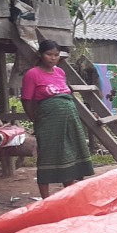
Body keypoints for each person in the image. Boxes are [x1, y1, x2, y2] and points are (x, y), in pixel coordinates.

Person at [20, 40, 94, 198]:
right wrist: (35, 119)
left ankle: (68, 194)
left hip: (69, 120)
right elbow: (26, 100)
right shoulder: (32, 74)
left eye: (56, 55)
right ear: (41, 55)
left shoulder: (60, 72)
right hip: (48, 121)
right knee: (47, 154)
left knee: (68, 153)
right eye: (49, 54)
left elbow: (67, 93)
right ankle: (46, 199)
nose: (53, 58)